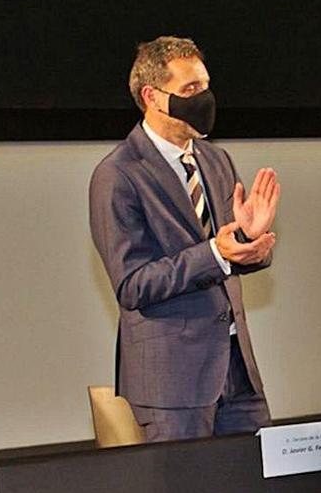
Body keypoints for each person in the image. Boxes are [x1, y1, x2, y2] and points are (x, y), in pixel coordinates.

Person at [89, 36, 280, 442]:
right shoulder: (118, 175)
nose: (204, 99)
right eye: (190, 90)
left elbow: (229, 249)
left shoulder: (216, 159)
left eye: (206, 86)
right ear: (152, 97)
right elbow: (132, 284)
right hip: (172, 384)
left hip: (236, 370)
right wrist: (216, 252)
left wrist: (250, 239)